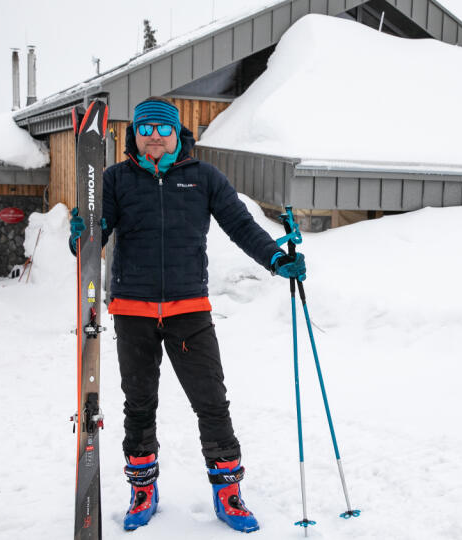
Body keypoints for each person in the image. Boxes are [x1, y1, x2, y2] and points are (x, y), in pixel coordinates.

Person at [68, 97, 306, 533]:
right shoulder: (116, 180)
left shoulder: (203, 178)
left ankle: (228, 493)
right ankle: (143, 488)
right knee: (139, 405)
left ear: (178, 133)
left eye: (162, 128)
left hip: (189, 311)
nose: (153, 136)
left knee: (211, 403)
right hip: (132, 311)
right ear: (134, 135)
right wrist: (83, 233)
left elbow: (241, 225)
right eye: (145, 129)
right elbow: (94, 240)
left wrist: (275, 258)